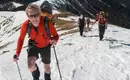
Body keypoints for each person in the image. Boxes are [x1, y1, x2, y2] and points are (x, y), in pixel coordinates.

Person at [13, 3, 59, 80]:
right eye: (31, 16)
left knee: (47, 68)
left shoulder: (47, 23)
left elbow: (56, 36)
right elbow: (21, 39)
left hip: (46, 45)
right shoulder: (26, 25)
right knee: (30, 65)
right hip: (34, 45)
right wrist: (17, 53)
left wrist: (55, 41)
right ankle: (36, 77)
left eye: (36, 14)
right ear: (28, 16)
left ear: (40, 13)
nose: (34, 18)